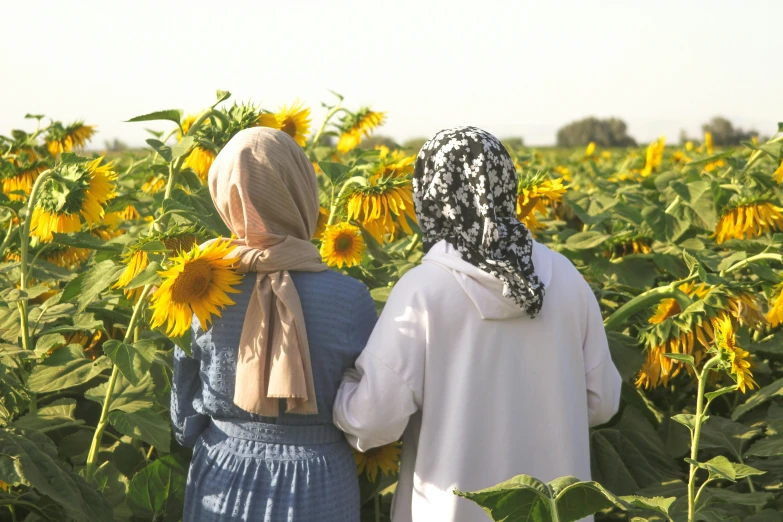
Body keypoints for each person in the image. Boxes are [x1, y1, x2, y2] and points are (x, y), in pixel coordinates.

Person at [334, 126, 622, 522]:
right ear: (507, 186)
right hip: (555, 511)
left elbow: (375, 420)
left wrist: (343, 388)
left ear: (430, 197)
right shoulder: (566, 278)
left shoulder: (423, 291)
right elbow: (602, 399)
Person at [171, 127, 377, 521]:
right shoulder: (350, 298)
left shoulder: (199, 290)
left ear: (224, 196)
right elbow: (370, 406)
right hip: (318, 479)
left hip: (223, 473)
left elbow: (185, 408)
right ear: (302, 190)